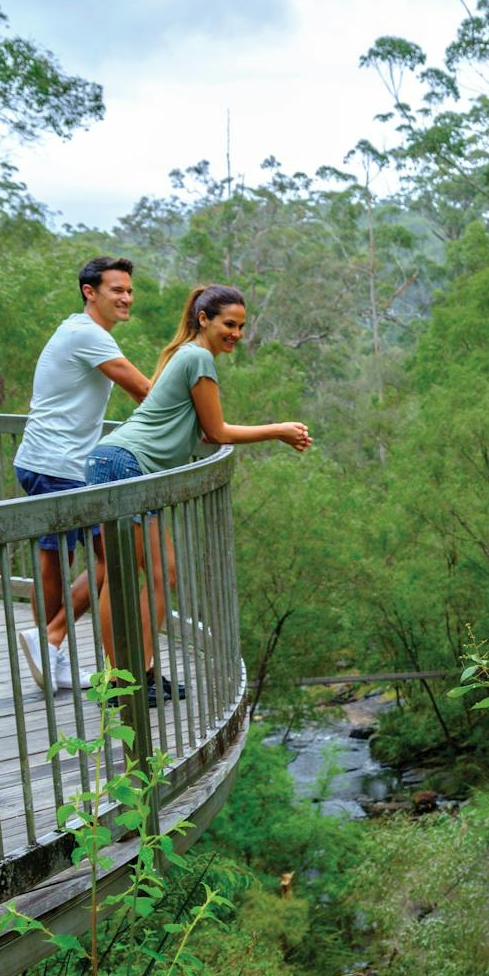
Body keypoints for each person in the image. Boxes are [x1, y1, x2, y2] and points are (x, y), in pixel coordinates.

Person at [84, 284, 309, 704]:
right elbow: (217, 432)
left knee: (130, 576)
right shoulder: (198, 357)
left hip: (112, 461)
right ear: (204, 319)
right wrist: (278, 430)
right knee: (155, 573)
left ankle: (129, 677)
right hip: (126, 464)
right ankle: (128, 681)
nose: (236, 334)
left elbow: (200, 431)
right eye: (229, 324)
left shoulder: (183, 354)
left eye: (242, 326)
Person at [12, 255, 153, 692]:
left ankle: (50, 648)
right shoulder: (87, 335)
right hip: (58, 464)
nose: (126, 298)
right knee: (107, 558)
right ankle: (50, 642)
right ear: (90, 292)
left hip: (53, 461)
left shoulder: (81, 331)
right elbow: (144, 390)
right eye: (117, 290)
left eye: (129, 290)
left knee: (67, 557)